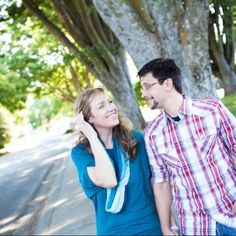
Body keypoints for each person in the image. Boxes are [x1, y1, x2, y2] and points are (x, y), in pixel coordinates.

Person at [138, 58, 236, 235]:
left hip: (232, 213)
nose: (144, 93)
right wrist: (165, 227)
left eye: (147, 86)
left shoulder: (212, 110)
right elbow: (161, 183)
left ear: (167, 84)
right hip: (195, 225)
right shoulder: (152, 134)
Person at [71, 87, 162, 235]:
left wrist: (168, 224)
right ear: (89, 119)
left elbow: (158, 184)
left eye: (110, 102)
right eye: (102, 106)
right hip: (114, 231)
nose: (111, 108)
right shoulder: (80, 153)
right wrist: (92, 136)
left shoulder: (136, 140)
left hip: (151, 227)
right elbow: (109, 181)